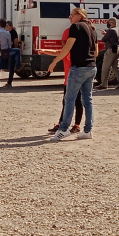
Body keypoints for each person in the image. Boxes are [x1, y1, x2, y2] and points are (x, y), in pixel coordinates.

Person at [47, 7, 97, 141]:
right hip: (91, 67)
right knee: (88, 100)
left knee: (69, 99)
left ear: (79, 15)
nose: (70, 18)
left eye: (71, 15)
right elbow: (96, 52)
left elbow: (67, 47)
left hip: (79, 67)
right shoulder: (92, 29)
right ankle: (88, 130)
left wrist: (54, 62)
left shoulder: (76, 27)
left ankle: (63, 129)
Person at [47, 25, 83, 134]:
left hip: (75, 79)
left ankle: (76, 125)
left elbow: (58, 52)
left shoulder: (74, 52)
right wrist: (44, 50)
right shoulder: (67, 51)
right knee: (67, 102)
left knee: (77, 102)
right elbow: (57, 52)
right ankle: (62, 123)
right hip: (68, 81)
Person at [94, 17, 119, 90]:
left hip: (110, 50)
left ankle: (103, 84)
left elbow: (104, 39)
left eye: (108, 23)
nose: (108, 24)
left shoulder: (111, 30)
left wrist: (105, 34)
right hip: (117, 49)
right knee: (116, 67)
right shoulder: (118, 30)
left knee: (105, 67)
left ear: (112, 23)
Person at [0, 19, 12, 89]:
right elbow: (9, 44)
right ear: (6, 26)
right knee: (16, 52)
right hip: (5, 52)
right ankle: (18, 65)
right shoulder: (7, 33)